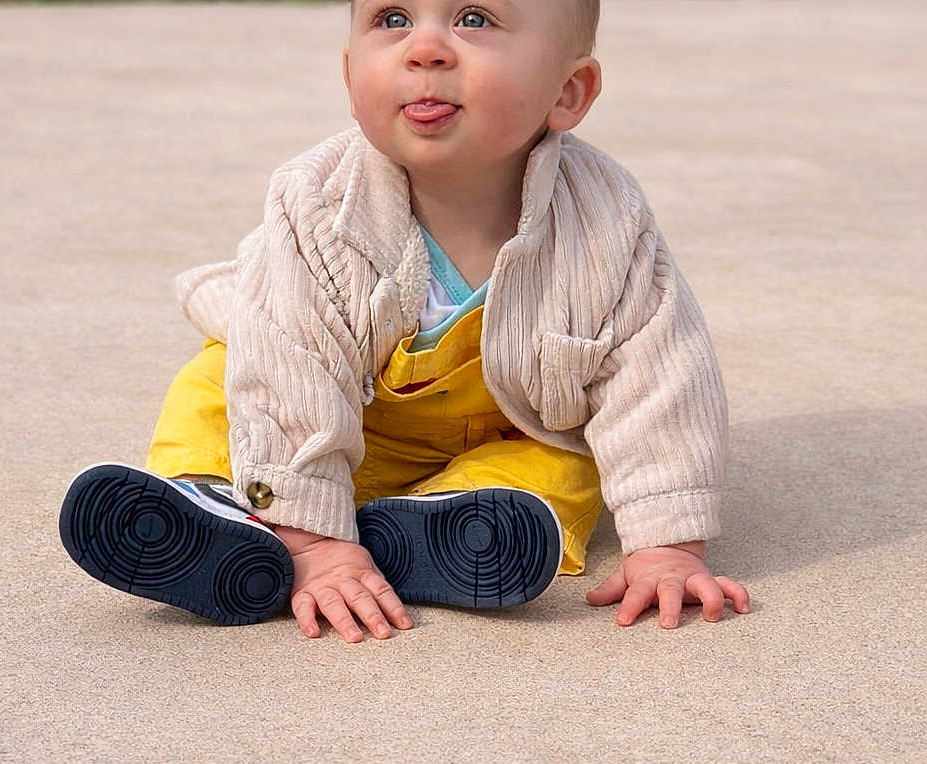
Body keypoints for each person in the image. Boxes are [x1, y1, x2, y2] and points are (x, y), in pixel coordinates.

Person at [60, 0, 751, 641]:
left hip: (515, 421)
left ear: (568, 92)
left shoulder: (605, 220)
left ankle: (443, 526)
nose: (426, 49)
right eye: (392, 18)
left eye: (474, 19)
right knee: (219, 379)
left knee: (567, 465)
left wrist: (666, 543)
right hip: (339, 411)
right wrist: (316, 544)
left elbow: (659, 374)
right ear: (350, 72)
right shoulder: (317, 202)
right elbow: (290, 371)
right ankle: (213, 505)